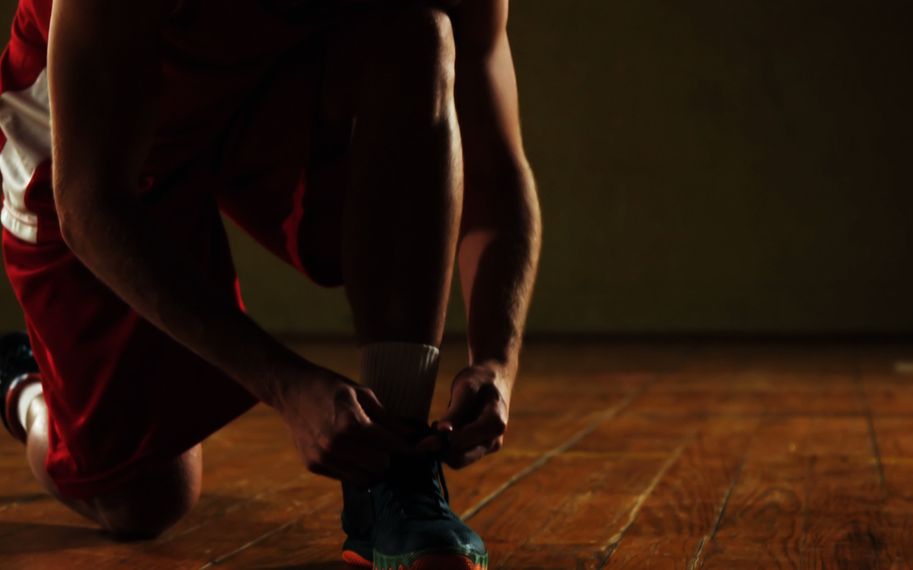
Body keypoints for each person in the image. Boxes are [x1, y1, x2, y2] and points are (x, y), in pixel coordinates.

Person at [0, 0, 540, 567]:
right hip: (88, 143)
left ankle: (395, 471)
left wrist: (499, 362)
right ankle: (24, 386)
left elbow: (496, 173)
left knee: (417, 34)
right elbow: (90, 204)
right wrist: (285, 386)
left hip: (256, 99)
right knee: (146, 499)